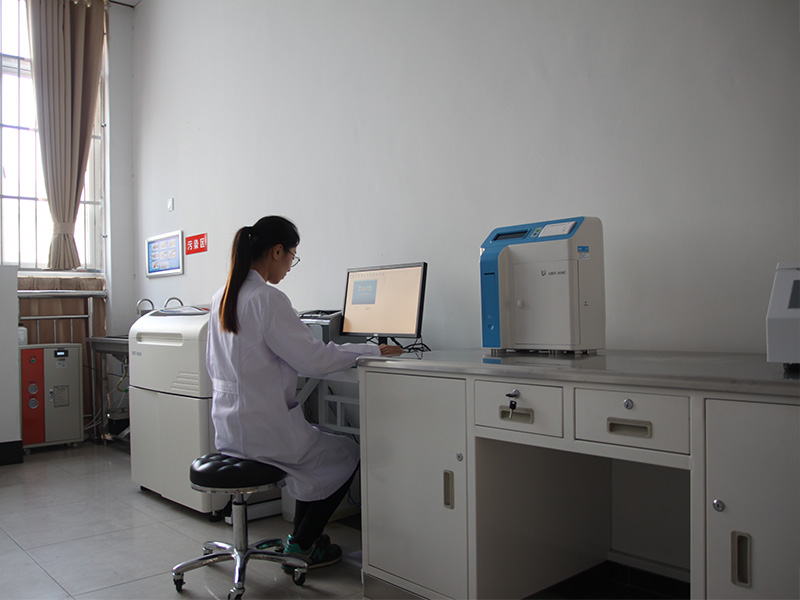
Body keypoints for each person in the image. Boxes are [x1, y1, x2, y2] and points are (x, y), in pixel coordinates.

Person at [206, 215, 403, 570]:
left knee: (319, 446)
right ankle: (303, 544)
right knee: (346, 451)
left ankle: (300, 541)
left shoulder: (223, 295)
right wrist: (372, 350)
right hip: (265, 432)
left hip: (231, 429)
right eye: (291, 257)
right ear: (276, 251)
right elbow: (313, 359)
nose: (289, 266)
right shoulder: (267, 298)